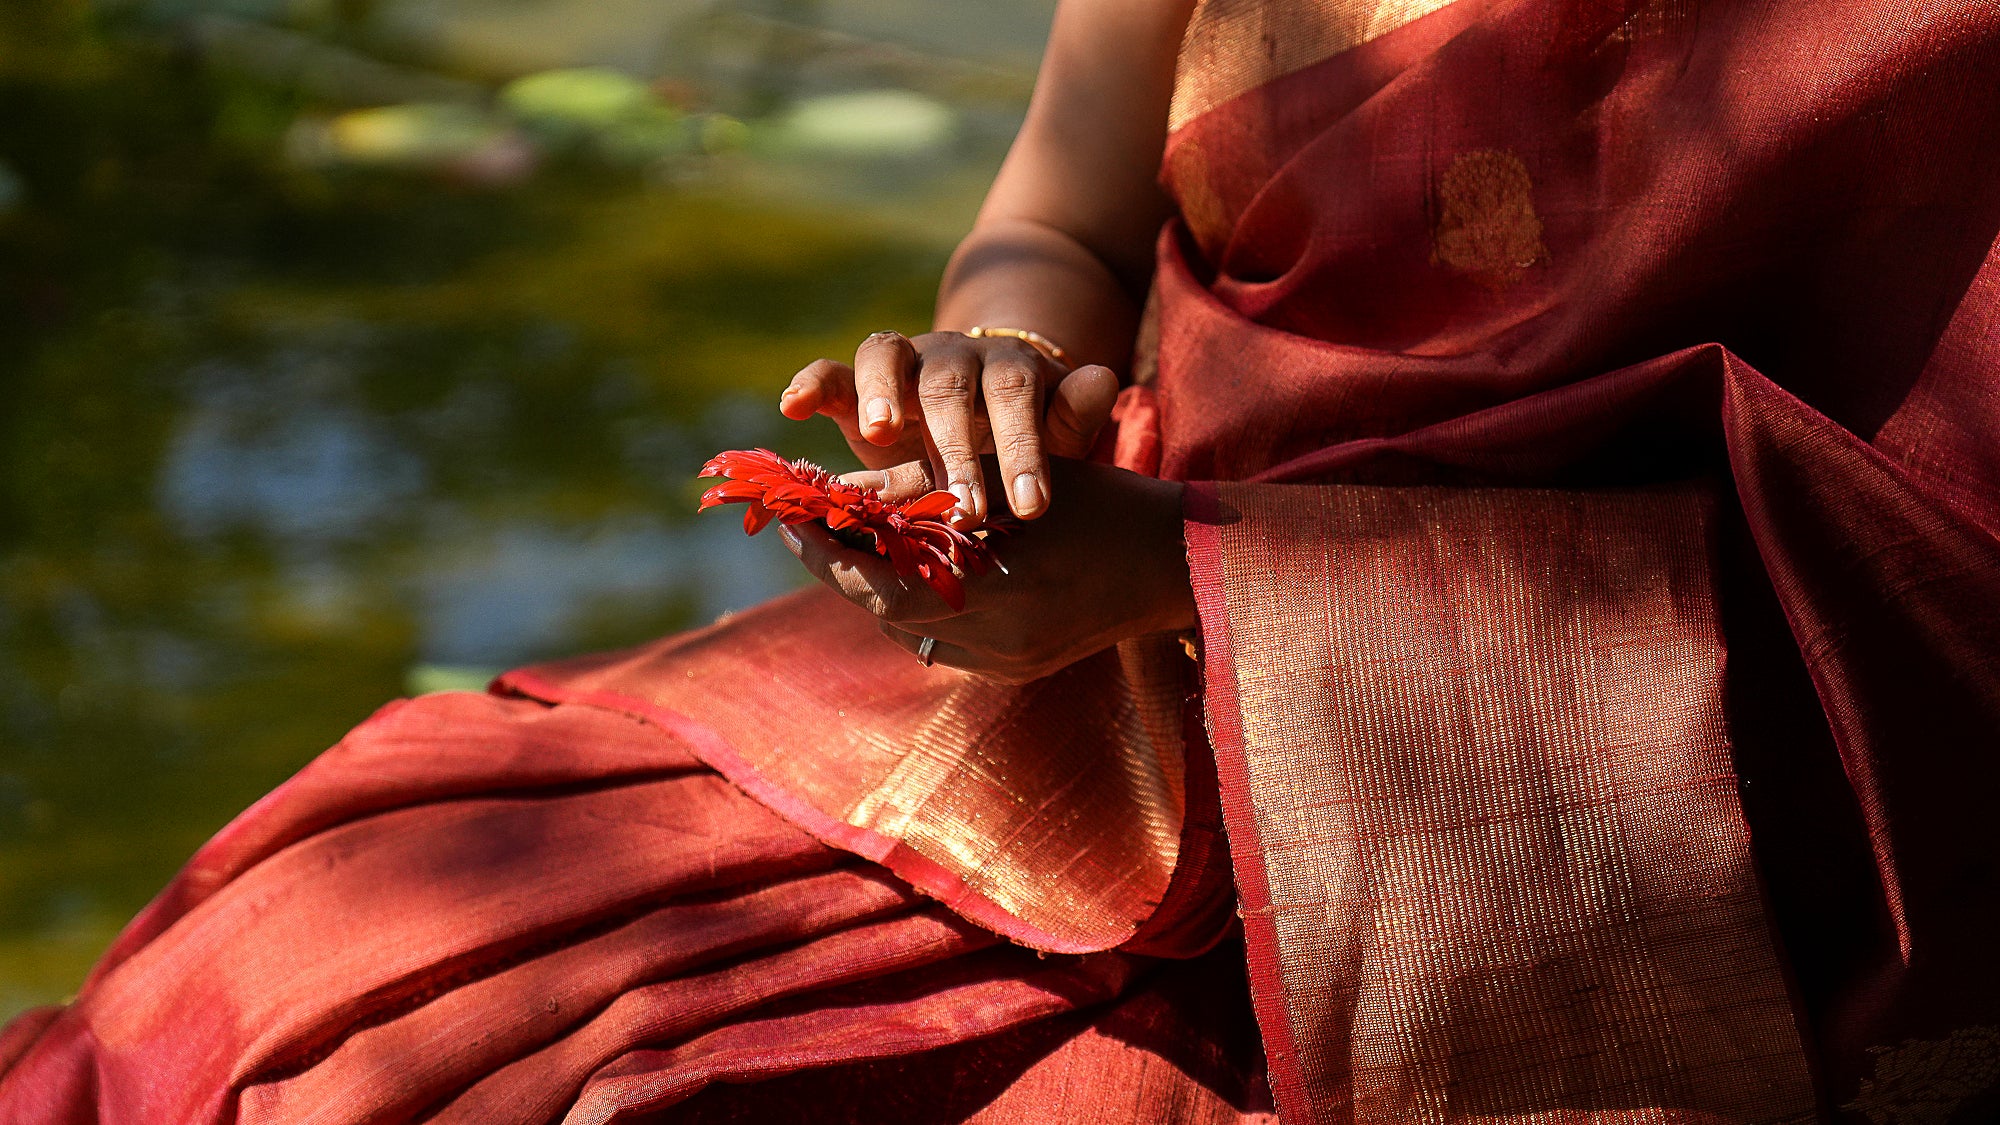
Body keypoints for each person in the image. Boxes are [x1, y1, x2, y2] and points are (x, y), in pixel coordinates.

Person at [3, 0, 1998, 1121]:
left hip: (1581, 861)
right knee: (317, 936)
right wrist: (998, 375)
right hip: (1100, 702)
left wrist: (1201, 576)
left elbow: (1927, 594)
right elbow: (1057, 214)